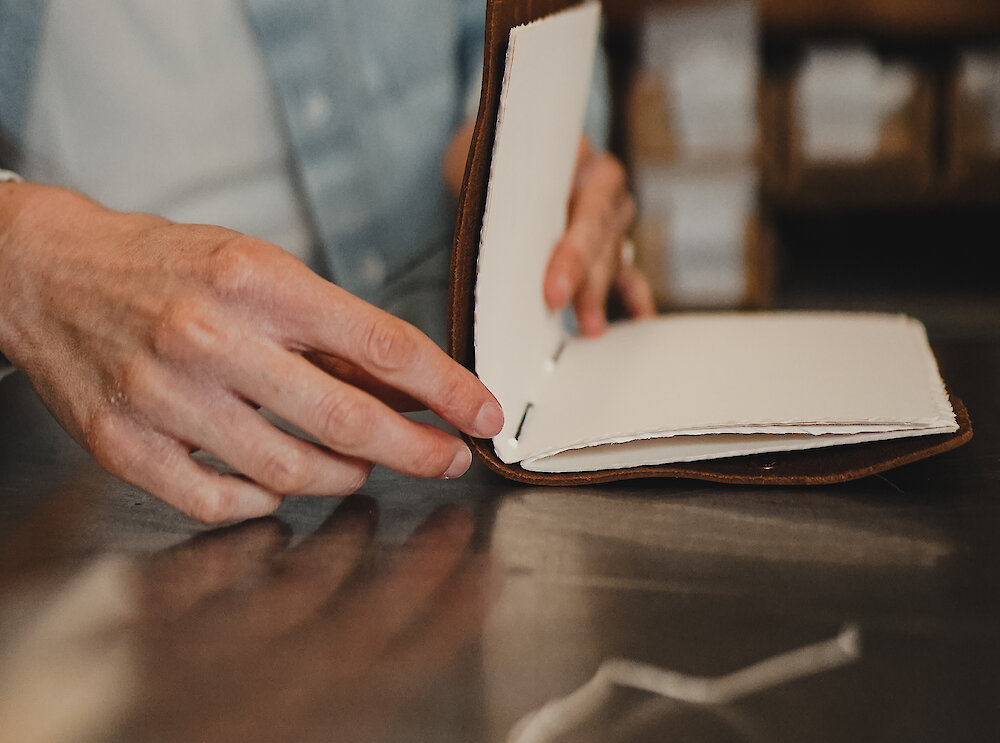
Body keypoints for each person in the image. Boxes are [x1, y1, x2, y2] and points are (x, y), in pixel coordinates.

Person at [0, 0, 654, 523]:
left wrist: (526, 147)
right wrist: (21, 253)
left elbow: (513, 27)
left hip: (464, 377)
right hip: (98, 452)